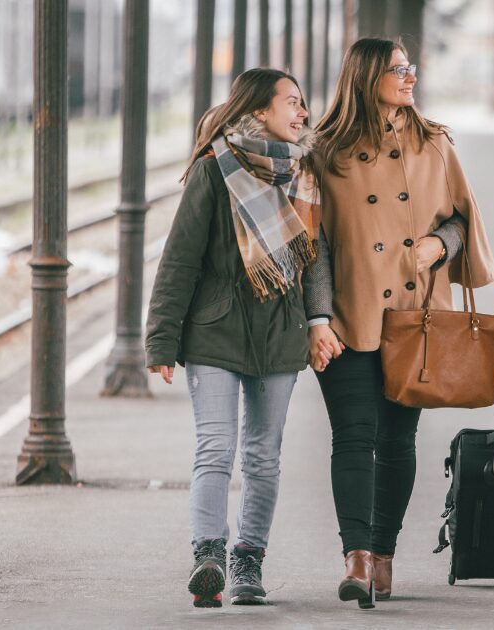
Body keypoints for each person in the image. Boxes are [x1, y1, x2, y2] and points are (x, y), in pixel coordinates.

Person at [304, 37, 494, 607]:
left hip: (415, 316)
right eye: (398, 69)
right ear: (367, 76)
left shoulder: (433, 143)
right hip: (349, 313)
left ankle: (383, 554)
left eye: (412, 67)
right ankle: (356, 557)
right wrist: (319, 317)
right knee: (353, 436)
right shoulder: (325, 150)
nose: (410, 77)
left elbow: (464, 215)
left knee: (396, 441)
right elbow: (312, 243)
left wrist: (440, 242)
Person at [144, 68, 320, 608]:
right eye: (291, 102)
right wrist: (161, 340)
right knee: (216, 448)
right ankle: (209, 557)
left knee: (263, 455)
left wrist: (320, 323)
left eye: (302, 103)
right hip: (215, 329)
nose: (303, 113)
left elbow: (315, 259)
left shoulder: (304, 176)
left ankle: (248, 559)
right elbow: (180, 258)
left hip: (281, 331)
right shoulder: (214, 170)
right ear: (260, 110)